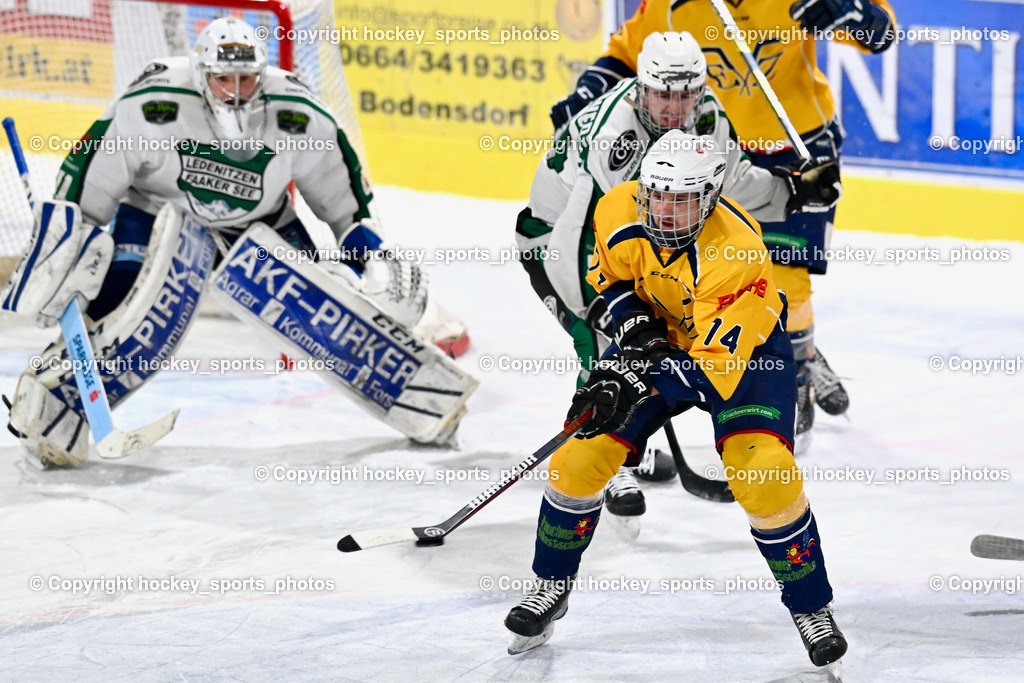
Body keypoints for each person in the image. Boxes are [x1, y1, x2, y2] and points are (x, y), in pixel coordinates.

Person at [2, 17, 470, 467]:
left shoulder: (297, 114)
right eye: (224, 78)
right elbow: (92, 173)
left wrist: (371, 255)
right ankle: (51, 402)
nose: (236, 91)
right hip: (155, 212)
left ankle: (422, 398)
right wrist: (66, 242)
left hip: (261, 223)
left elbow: (346, 202)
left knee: (328, 311)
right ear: (202, 73)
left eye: (247, 79)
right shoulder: (153, 101)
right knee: (115, 307)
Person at [504, 131, 845, 668]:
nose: (665, 210)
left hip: (746, 356)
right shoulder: (619, 208)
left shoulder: (737, 252)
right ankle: (550, 585)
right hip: (663, 342)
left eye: (683, 199)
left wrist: (635, 379)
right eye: (658, 195)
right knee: (578, 457)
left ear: (710, 198)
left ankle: (811, 606)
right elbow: (608, 283)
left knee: (764, 473)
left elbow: (707, 373)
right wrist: (635, 331)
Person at [516, 32, 838, 521]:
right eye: (661, 92)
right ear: (640, 85)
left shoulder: (706, 114)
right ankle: (609, 454)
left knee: (642, 337)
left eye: (683, 92)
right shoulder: (614, 139)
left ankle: (621, 438)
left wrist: (791, 192)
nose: (673, 105)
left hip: (625, 236)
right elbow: (585, 234)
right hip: (558, 235)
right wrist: (612, 315)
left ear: (699, 88)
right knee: (605, 340)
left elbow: (723, 183)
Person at [548, 0, 898, 450]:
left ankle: (798, 358)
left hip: (794, 142)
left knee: (788, 278)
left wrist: (852, 13)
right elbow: (626, 56)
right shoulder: (674, 7)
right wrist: (588, 94)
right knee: (707, 274)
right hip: (706, 152)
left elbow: (880, 35)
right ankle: (772, 350)